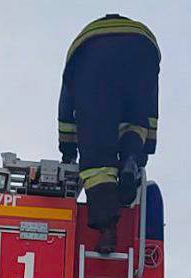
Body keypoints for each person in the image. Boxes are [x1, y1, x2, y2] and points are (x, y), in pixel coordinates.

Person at [57, 13, 159, 252]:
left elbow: (66, 109)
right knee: (134, 120)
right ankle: (129, 160)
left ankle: (107, 230)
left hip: (93, 58)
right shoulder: (136, 40)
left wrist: (68, 151)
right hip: (143, 48)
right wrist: (144, 150)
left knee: (97, 161)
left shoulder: (79, 62)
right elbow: (150, 106)